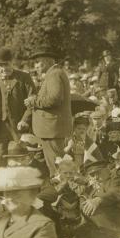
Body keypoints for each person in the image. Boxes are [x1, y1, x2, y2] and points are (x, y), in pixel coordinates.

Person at [0, 48, 35, 173]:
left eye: (7, 64)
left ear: (12, 62)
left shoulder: (24, 78)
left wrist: (25, 120)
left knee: (21, 160)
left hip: (19, 129)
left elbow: (33, 103)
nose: (4, 68)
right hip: (0, 129)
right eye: (0, 65)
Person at [24, 49, 73, 177]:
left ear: (46, 61)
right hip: (52, 129)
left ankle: (61, 192)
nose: (35, 66)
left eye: (37, 62)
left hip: (52, 130)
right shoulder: (55, 73)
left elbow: (55, 99)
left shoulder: (54, 74)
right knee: (57, 166)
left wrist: (34, 101)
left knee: (56, 169)